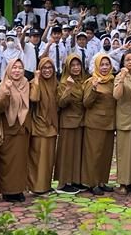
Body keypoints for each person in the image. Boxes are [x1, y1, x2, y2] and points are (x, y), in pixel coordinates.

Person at [0, 58, 31, 201]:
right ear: (9, 70)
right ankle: (8, 191)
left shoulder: (26, 84)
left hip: (22, 128)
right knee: (8, 162)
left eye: (20, 68)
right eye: (14, 68)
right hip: (9, 128)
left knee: (21, 162)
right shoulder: (3, 85)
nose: (17, 71)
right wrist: (7, 94)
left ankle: (19, 189)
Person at [82, 54, 117, 194]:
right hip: (95, 123)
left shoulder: (112, 80)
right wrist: (94, 89)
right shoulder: (92, 81)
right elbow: (86, 103)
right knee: (94, 154)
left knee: (106, 155)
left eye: (107, 64)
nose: (104, 67)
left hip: (109, 122)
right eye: (101, 64)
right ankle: (92, 183)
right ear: (96, 66)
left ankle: (102, 181)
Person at [55, 54, 87, 194]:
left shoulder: (83, 81)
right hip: (68, 121)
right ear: (68, 67)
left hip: (80, 121)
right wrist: (68, 89)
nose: (76, 68)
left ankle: (75, 180)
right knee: (66, 153)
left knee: (77, 153)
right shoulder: (63, 82)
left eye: (78, 65)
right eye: (72, 65)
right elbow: (61, 103)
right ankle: (62, 183)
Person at [28, 56, 59, 194]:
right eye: (44, 68)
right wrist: (36, 79)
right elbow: (34, 98)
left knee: (48, 159)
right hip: (39, 124)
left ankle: (45, 185)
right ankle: (36, 186)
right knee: (38, 158)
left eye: (50, 68)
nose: (47, 71)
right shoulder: (35, 82)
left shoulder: (54, 83)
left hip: (52, 125)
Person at [112, 51, 131, 194]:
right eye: (127, 60)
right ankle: (123, 183)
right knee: (124, 152)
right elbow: (116, 95)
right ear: (123, 62)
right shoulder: (119, 76)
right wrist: (122, 78)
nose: (130, 62)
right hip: (124, 118)